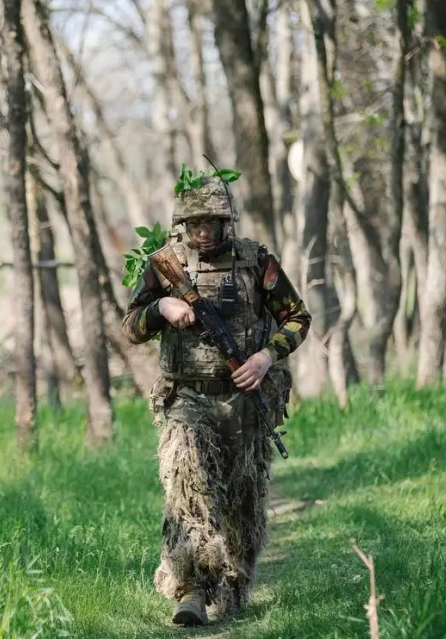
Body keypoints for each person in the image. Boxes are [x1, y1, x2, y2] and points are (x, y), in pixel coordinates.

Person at [121, 175, 311, 626]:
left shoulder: (256, 262)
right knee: (189, 491)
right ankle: (192, 589)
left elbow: (298, 317)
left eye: (213, 221)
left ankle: (235, 584)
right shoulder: (165, 265)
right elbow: (130, 326)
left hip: (244, 401)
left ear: (228, 221)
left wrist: (266, 357)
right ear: (182, 223)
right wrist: (161, 309)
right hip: (188, 397)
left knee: (244, 502)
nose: (204, 231)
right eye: (195, 222)